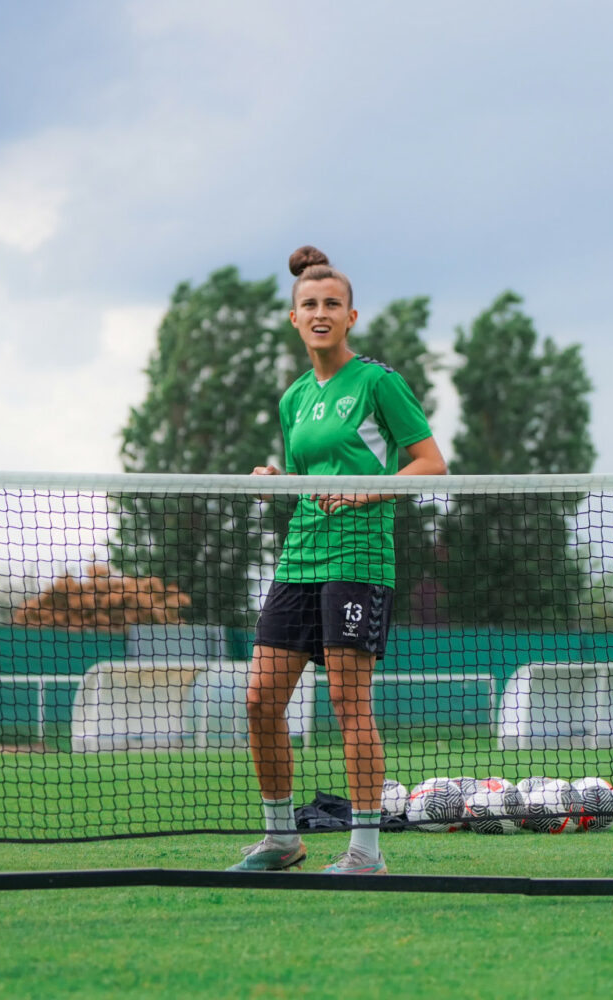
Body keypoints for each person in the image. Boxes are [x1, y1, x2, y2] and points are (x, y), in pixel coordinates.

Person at [229, 246, 447, 875]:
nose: (320, 313)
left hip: (357, 559)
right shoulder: (294, 399)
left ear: (351, 316)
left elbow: (431, 464)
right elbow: (307, 480)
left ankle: (365, 853)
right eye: (309, 305)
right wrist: (277, 480)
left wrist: (366, 491)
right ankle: (281, 839)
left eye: (332, 304)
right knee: (260, 701)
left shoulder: (378, 383)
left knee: (351, 708)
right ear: (293, 318)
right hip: (299, 560)